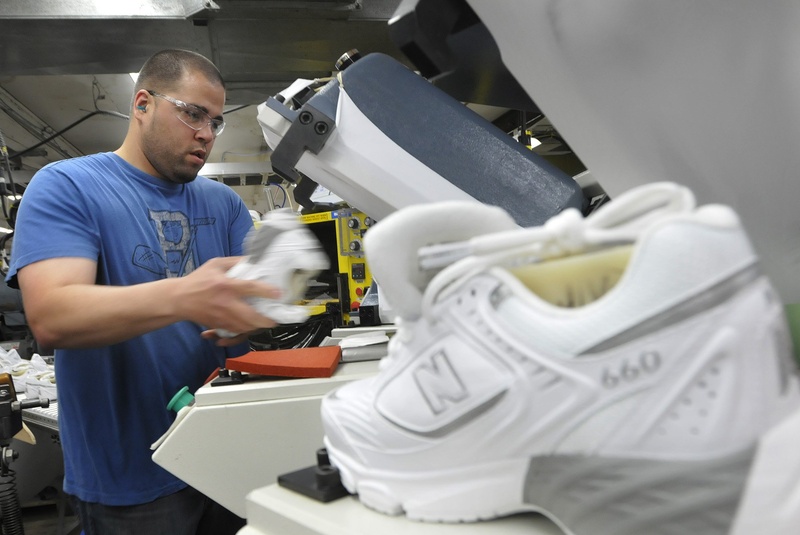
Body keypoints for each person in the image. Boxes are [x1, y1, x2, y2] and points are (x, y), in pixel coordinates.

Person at [5, 49, 279, 535]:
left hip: (232, 455)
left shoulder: (225, 203)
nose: (206, 134)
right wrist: (187, 294)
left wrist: (267, 307)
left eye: (216, 122)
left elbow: (254, 304)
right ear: (143, 104)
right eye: (192, 113)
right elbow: (52, 317)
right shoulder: (67, 186)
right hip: (132, 470)